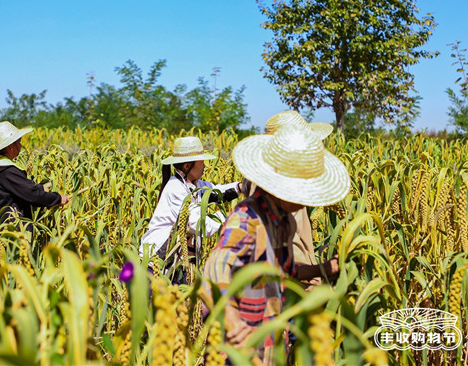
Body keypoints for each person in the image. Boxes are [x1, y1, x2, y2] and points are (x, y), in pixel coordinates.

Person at [202, 124, 351, 364]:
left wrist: (324, 269)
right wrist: (230, 319)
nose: (306, 200)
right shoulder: (247, 219)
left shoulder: (282, 222)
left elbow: (285, 272)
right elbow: (215, 270)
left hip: (269, 347)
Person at [264, 110, 338, 286]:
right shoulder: (278, 195)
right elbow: (282, 267)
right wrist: (323, 270)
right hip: (293, 293)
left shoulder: (289, 185)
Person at [140, 136, 242, 261]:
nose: (205, 166)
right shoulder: (175, 188)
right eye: (201, 162)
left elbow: (217, 192)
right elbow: (201, 225)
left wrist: (241, 187)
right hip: (158, 261)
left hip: (178, 261)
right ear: (188, 166)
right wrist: (232, 218)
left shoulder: (195, 185)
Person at [0, 121, 70, 262]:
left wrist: (40, 188)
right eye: (19, 142)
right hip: (4, 239)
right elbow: (33, 196)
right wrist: (57, 198)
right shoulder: (7, 171)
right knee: (11, 281)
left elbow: (15, 192)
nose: (21, 146)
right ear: (10, 147)